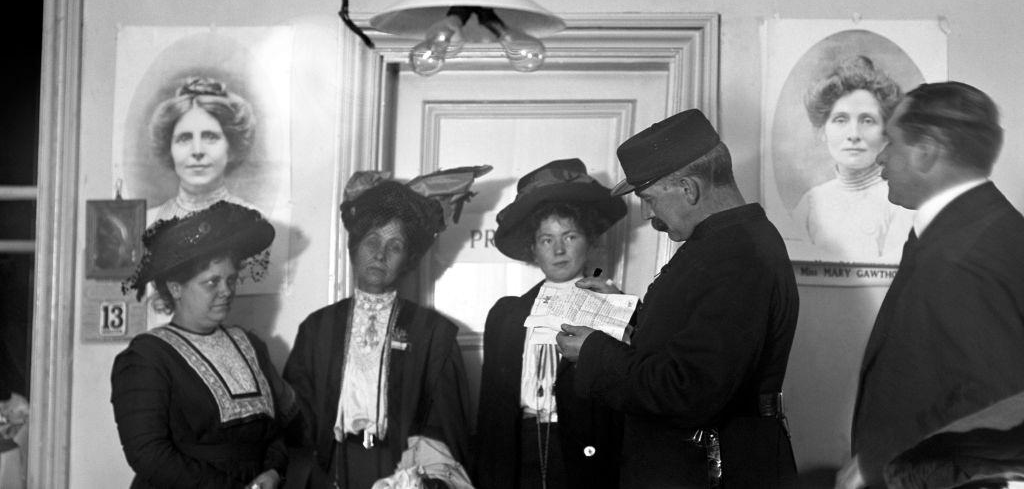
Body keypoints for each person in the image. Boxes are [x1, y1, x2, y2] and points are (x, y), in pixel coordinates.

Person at [555, 109, 800, 488]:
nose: (649, 215)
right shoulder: (728, 241)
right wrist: (627, 314)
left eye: (649, 199)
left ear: (689, 188)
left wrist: (593, 353)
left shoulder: (737, 256)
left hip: (709, 471)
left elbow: (688, 390)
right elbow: (699, 339)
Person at [837, 82, 1024, 489]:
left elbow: (994, 426)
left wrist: (881, 470)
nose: (881, 155)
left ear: (927, 151)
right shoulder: (977, 228)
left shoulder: (963, 258)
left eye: (891, 140)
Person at [283, 167, 489, 489]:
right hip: (334, 468)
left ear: (408, 258)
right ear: (354, 248)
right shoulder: (318, 329)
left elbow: (445, 428)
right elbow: (298, 422)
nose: (380, 254)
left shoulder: (434, 334)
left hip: (404, 472)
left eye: (394, 246)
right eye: (372, 241)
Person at [110, 201, 298, 488]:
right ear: (176, 288)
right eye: (212, 282)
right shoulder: (147, 357)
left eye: (230, 280)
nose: (226, 291)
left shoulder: (249, 345)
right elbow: (148, 454)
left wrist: (273, 473)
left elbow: (277, 431)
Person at [476, 158, 626, 489]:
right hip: (520, 449)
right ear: (533, 248)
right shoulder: (506, 315)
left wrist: (618, 315)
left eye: (569, 236)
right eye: (547, 239)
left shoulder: (611, 304)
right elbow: (491, 412)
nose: (558, 249)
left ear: (589, 240)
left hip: (584, 456)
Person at [792, 55, 913, 262]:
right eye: (840, 120)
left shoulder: (900, 202)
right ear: (822, 130)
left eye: (867, 120)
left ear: (886, 131)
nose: (854, 134)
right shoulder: (811, 203)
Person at [146, 76, 258, 224]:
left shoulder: (253, 222)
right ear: (169, 149)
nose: (197, 151)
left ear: (231, 148)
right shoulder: (147, 222)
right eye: (184, 138)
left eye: (210, 137)